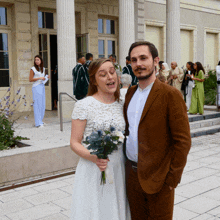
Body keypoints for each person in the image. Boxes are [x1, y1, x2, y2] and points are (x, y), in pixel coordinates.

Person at [124, 41, 191, 220]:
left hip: (159, 179)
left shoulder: (170, 95)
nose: (138, 64)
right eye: (134, 60)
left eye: (143, 58)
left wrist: (172, 179)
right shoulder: (130, 93)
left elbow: (183, 141)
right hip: (132, 176)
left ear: (156, 61)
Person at [70, 58, 131, 220]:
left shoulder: (122, 103)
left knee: (115, 209)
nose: (110, 77)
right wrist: (94, 156)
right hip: (93, 168)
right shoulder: (84, 105)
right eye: (103, 75)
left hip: (119, 167)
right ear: (94, 81)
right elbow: (74, 142)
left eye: (112, 72)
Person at [29, 55, 48, 128]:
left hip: (42, 87)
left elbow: (43, 79)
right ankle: (38, 123)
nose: (36, 61)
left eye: (38, 60)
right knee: (37, 104)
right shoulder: (32, 69)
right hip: (36, 87)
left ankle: (40, 121)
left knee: (42, 104)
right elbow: (30, 79)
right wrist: (39, 78)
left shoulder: (43, 68)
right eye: (35, 60)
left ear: (41, 61)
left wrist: (46, 78)